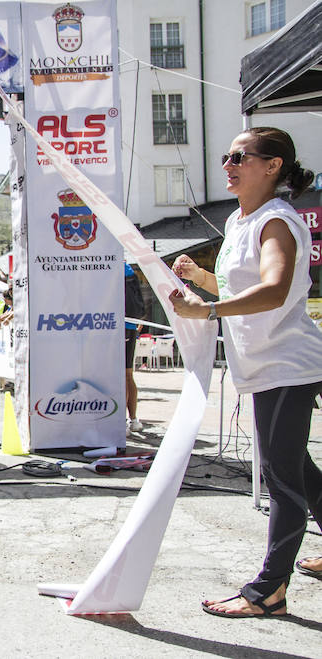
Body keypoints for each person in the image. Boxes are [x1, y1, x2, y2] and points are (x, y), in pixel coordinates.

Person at [169, 126, 322, 618]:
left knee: (282, 480)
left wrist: (207, 312)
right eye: (225, 156)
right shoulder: (239, 220)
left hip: (286, 365)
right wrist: (201, 281)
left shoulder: (277, 220)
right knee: (299, 469)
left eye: (239, 156)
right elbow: (242, 289)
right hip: (262, 365)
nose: (228, 165)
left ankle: (269, 592)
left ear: (272, 166)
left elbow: (275, 290)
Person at [124, 262, 146, 434]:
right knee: (127, 374)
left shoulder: (117, 267)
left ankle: (126, 420)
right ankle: (133, 419)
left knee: (123, 374)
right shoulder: (128, 269)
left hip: (119, 325)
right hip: (129, 326)